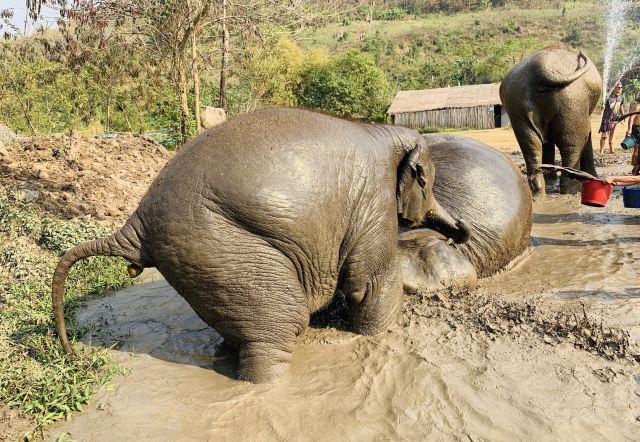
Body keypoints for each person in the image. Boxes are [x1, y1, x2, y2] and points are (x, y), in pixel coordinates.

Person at [599, 81, 625, 154]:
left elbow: (621, 107)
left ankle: (611, 149)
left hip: (615, 119)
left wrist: (623, 116)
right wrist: (602, 108)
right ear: (614, 88)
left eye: (621, 87)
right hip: (606, 119)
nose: (620, 89)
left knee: (612, 134)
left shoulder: (621, 97)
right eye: (618, 87)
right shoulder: (607, 97)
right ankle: (601, 150)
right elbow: (602, 107)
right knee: (604, 135)